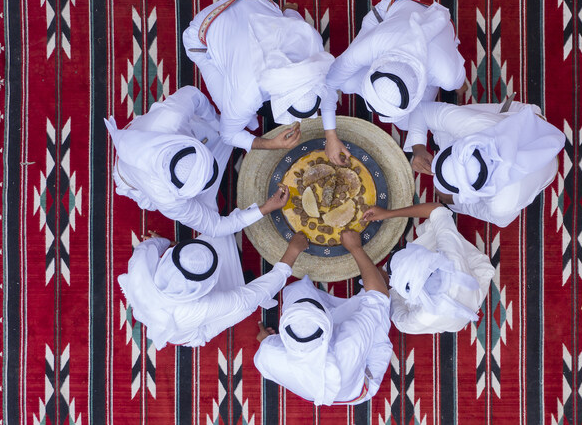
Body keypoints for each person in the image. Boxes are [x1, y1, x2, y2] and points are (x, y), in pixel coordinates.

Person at [182, 0, 348, 163]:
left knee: (290, 29)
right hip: (203, 29)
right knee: (227, 107)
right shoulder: (246, 94)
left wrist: (331, 135)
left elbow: (327, 89)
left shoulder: (312, 46)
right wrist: (270, 144)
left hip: (253, 0)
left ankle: (284, 12)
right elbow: (228, 135)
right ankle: (213, 55)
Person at [104, 86, 289, 235]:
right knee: (208, 217)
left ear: (191, 147)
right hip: (131, 177)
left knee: (220, 132)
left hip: (156, 134)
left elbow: (195, 96)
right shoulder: (167, 199)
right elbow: (215, 227)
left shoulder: (172, 117)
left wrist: (220, 127)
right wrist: (264, 208)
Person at [326, 0, 466, 171]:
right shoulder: (373, 44)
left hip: (441, 32)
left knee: (407, 123)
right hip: (385, 16)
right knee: (345, 83)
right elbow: (330, 82)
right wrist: (330, 135)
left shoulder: (447, 74)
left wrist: (419, 147)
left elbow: (458, 81)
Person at [253, 230, 392, 405]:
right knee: (381, 293)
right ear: (328, 324)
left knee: (296, 290)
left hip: (319, 383)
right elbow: (378, 297)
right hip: (361, 380)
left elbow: (265, 344)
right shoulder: (351, 343)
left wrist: (266, 340)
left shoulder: (268, 353)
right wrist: (355, 248)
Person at [118, 231, 309, 349]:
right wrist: (292, 251)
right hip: (195, 330)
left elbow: (157, 244)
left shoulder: (141, 259)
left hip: (162, 302)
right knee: (245, 308)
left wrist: (170, 244)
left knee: (219, 234)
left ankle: (189, 255)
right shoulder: (197, 309)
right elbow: (251, 296)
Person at [416, 100, 565, 227]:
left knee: (444, 128)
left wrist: (454, 201)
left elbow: (492, 216)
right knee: (447, 123)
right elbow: (422, 110)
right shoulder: (476, 126)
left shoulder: (503, 204)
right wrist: (418, 148)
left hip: (548, 167)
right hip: (528, 120)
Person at [362, 203, 495, 334]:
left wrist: (388, 288)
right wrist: (388, 214)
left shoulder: (420, 319)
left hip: (457, 314)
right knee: (434, 227)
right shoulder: (451, 257)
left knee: (377, 286)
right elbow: (437, 210)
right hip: (474, 275)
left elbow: (400, 318)